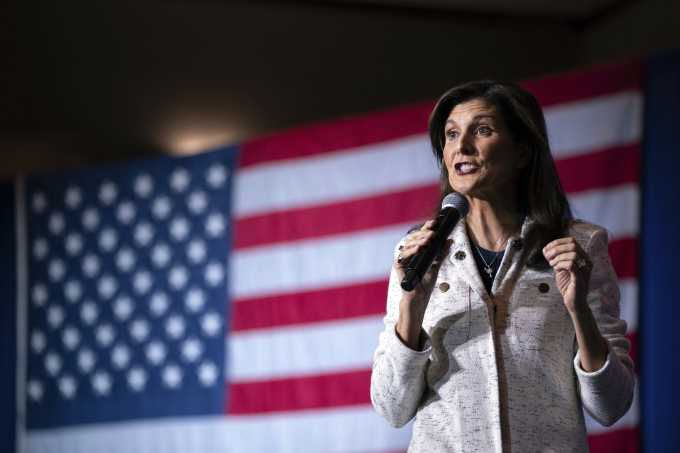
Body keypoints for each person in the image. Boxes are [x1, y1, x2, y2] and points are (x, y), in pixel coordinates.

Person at [370, 80, 634, 452]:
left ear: (522, 152)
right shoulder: (417, 252)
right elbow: (392, 408)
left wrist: (578, 311)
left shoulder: (580, 248)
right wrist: (411, 307)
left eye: (482, 130)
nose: (461, 146)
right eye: (450, 134)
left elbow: (611, 406)